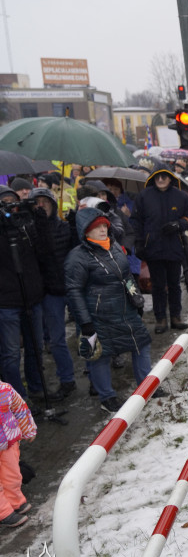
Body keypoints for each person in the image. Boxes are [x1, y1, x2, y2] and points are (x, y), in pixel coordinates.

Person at [65, 207, 154, 413]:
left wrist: (136, 299)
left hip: (124, 310)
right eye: (97, 227)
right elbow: (74, 291)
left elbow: (127, 276)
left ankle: (147, 386)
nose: (103, 230)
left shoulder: (114, 247)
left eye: (104, 225)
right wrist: (85, 322)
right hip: (98, 315)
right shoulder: (77, 257)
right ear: (85, 231)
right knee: (100, 356)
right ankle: (107, 397)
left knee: (141, 343)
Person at [130, 162, 188, 334]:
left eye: (164, 176)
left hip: (174, 246)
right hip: (153, 247)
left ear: (170, 178)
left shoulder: (180, 196)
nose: (160, 179)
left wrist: (179, 224)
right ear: (152, 178)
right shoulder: (144, 196)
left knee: (174, 284)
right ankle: (161, 319)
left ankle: (176, 316)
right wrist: (139, 242)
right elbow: (136, 221)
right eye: (157, 176)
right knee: (158, 285)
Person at [0, 185, 51, 401]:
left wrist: (40, 222)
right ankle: (17, 399)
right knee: (11, 354)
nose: (10, 206)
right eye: (5, 202)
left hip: (32, 298)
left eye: (13, 201)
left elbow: (45, 253)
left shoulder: (25, 226)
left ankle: (37, 389)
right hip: (6, 302)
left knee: (35, 348)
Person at [30, 188, 77, 398]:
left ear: (53, 204)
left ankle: (96, 378)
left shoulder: (65, 227)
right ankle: (67, 379)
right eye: (37, 202)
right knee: (57, 339)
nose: (42, 205)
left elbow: (77, 250)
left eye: (45, 201)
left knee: (88, 333)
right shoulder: (31, 231)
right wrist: (40, 226)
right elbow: (41, 254)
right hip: (50, 292)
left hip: (73, 287)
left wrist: (75, 227)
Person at [0, 381, 36, 528]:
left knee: (13, 475)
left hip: (9, 442)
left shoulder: (4, 389)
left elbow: (19, 407)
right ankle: (3, 512)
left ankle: (15, 501)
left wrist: (28, 428)